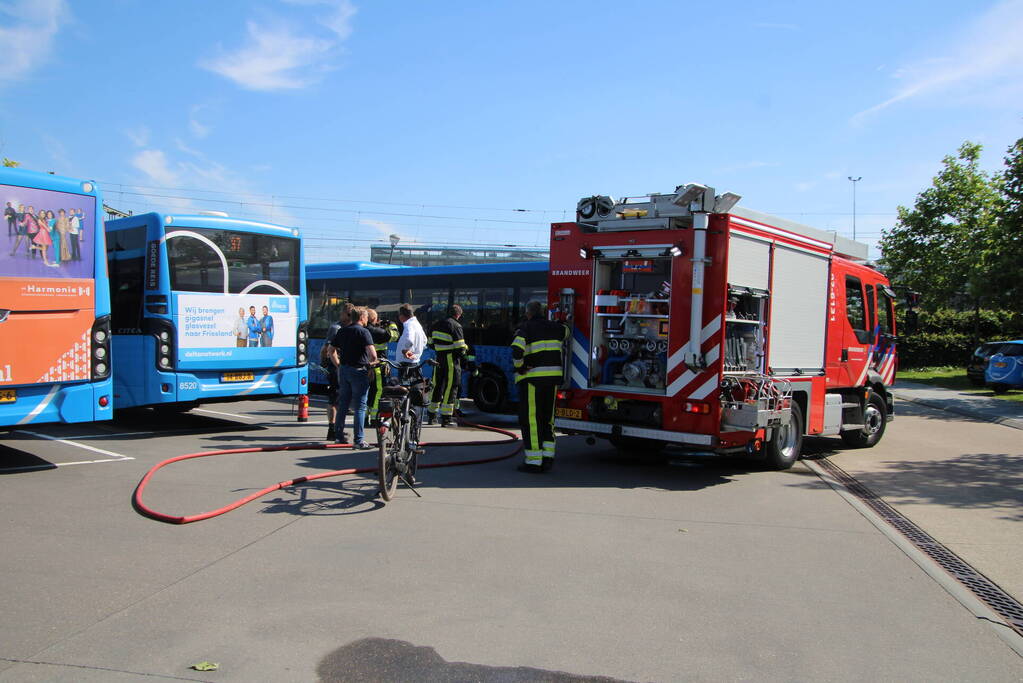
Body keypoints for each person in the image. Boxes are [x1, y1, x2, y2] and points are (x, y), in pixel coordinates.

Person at [511, 301, 568, 473]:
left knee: (531, 421)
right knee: (548, 419)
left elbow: (516, 349)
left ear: (528, 313)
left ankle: (534, 461)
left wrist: (520, 367)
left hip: (532, 380)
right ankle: (548, 458)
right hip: (552, 381)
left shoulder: (525, 328)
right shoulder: (557, 328)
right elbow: (567, 331)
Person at [329, 306, 377, 448]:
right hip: (359, 370)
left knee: (343, 404)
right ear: (362, 317)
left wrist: (338, 365)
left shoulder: (342, 331)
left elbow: (331, 350)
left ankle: (338, 437)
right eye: (366, 317)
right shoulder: (364, 332)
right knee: (360, 407)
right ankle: (359, 440)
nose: (368, 319)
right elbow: (373, 355)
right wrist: (371, 365)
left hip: (344, 370)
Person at [427, 304, 468, 427]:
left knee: (437, 386)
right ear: (458, 315)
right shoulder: (456, 326)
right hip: (451, 360)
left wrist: (441, 349)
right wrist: (465, 351)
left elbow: (430, 343)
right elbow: (460, 348)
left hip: (438, 358)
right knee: (451, 387)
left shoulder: (435, 325)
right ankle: (446, 419)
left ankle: (432, 416)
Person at [322, 302, 354, 441]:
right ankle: (332, 430)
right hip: (336, 367)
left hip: (345, 366)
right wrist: (334, 365)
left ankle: (336, 429)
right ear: (346, 315)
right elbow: (327, 349)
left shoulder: (351, 328)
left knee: (341, 399)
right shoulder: (336, 328)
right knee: (334, 398)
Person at [364, 308, 400, 425]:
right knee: (378, 390)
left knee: (367, 392)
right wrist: (391, 324)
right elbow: (394, 336)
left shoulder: (363, 330)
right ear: (374, 319)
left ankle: (366, 417)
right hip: (378, 366)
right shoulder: (376, 331)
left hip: (365, 365)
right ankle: (375, 418)